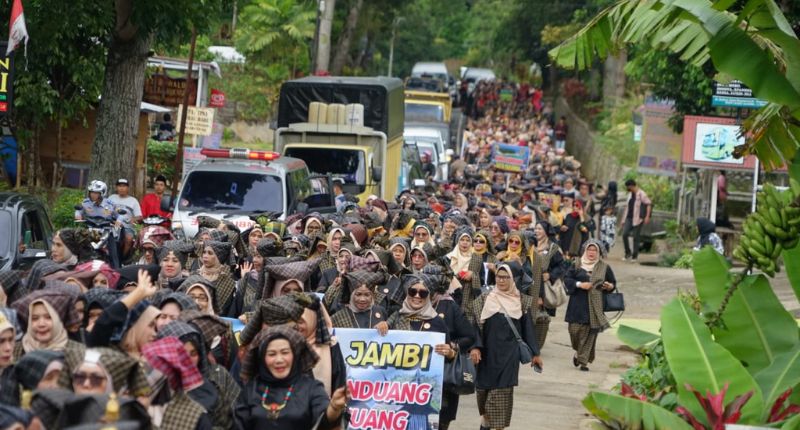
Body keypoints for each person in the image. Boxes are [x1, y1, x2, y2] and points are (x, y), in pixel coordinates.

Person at [469, 264, 543, 430]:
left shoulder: (522, 301)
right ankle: (485, 423)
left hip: (508, 356)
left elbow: (528, 329)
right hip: (486, 355)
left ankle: (497, 426)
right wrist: (475, 347)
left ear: (514, 279)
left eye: (506, 277)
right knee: (483, 394)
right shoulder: (484, 298)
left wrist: (535, 354)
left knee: (501, 395)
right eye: (499, 276)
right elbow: (474, 325)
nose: (501, 280)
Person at [234, 325, 348, 429]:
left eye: (285, 352)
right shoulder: (251, 390)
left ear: (294, 355)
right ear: (262, 359)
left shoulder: (312, 389)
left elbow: (324, 422)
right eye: (272, 354)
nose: (279, 360)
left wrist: (334, 408)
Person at [564, 240, 616, 371]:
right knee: (574, 331)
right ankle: (578, 352)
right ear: (585, 251)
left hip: (595, 306)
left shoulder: (604, 267)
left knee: (590, 334)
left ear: (598, 252)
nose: (591, 253)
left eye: (594, 250)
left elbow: (612, 283)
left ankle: (583, 361)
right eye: (589, 250)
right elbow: (567, 279)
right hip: (577, 304)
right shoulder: (576, 263)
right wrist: (579, 285)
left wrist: (609, 286)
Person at [621, 179, 652, 262]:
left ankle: (634, 256)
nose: (628, 189)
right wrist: (623, 220)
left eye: (628, 187)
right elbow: (627, 207)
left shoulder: (641, 194)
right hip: (629, 218)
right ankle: (628, 253)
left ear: (631, 186)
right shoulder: (630, 195)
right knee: (624, 234)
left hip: (638, 219)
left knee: (636, 237)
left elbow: (648, 204)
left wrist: (647, 216)